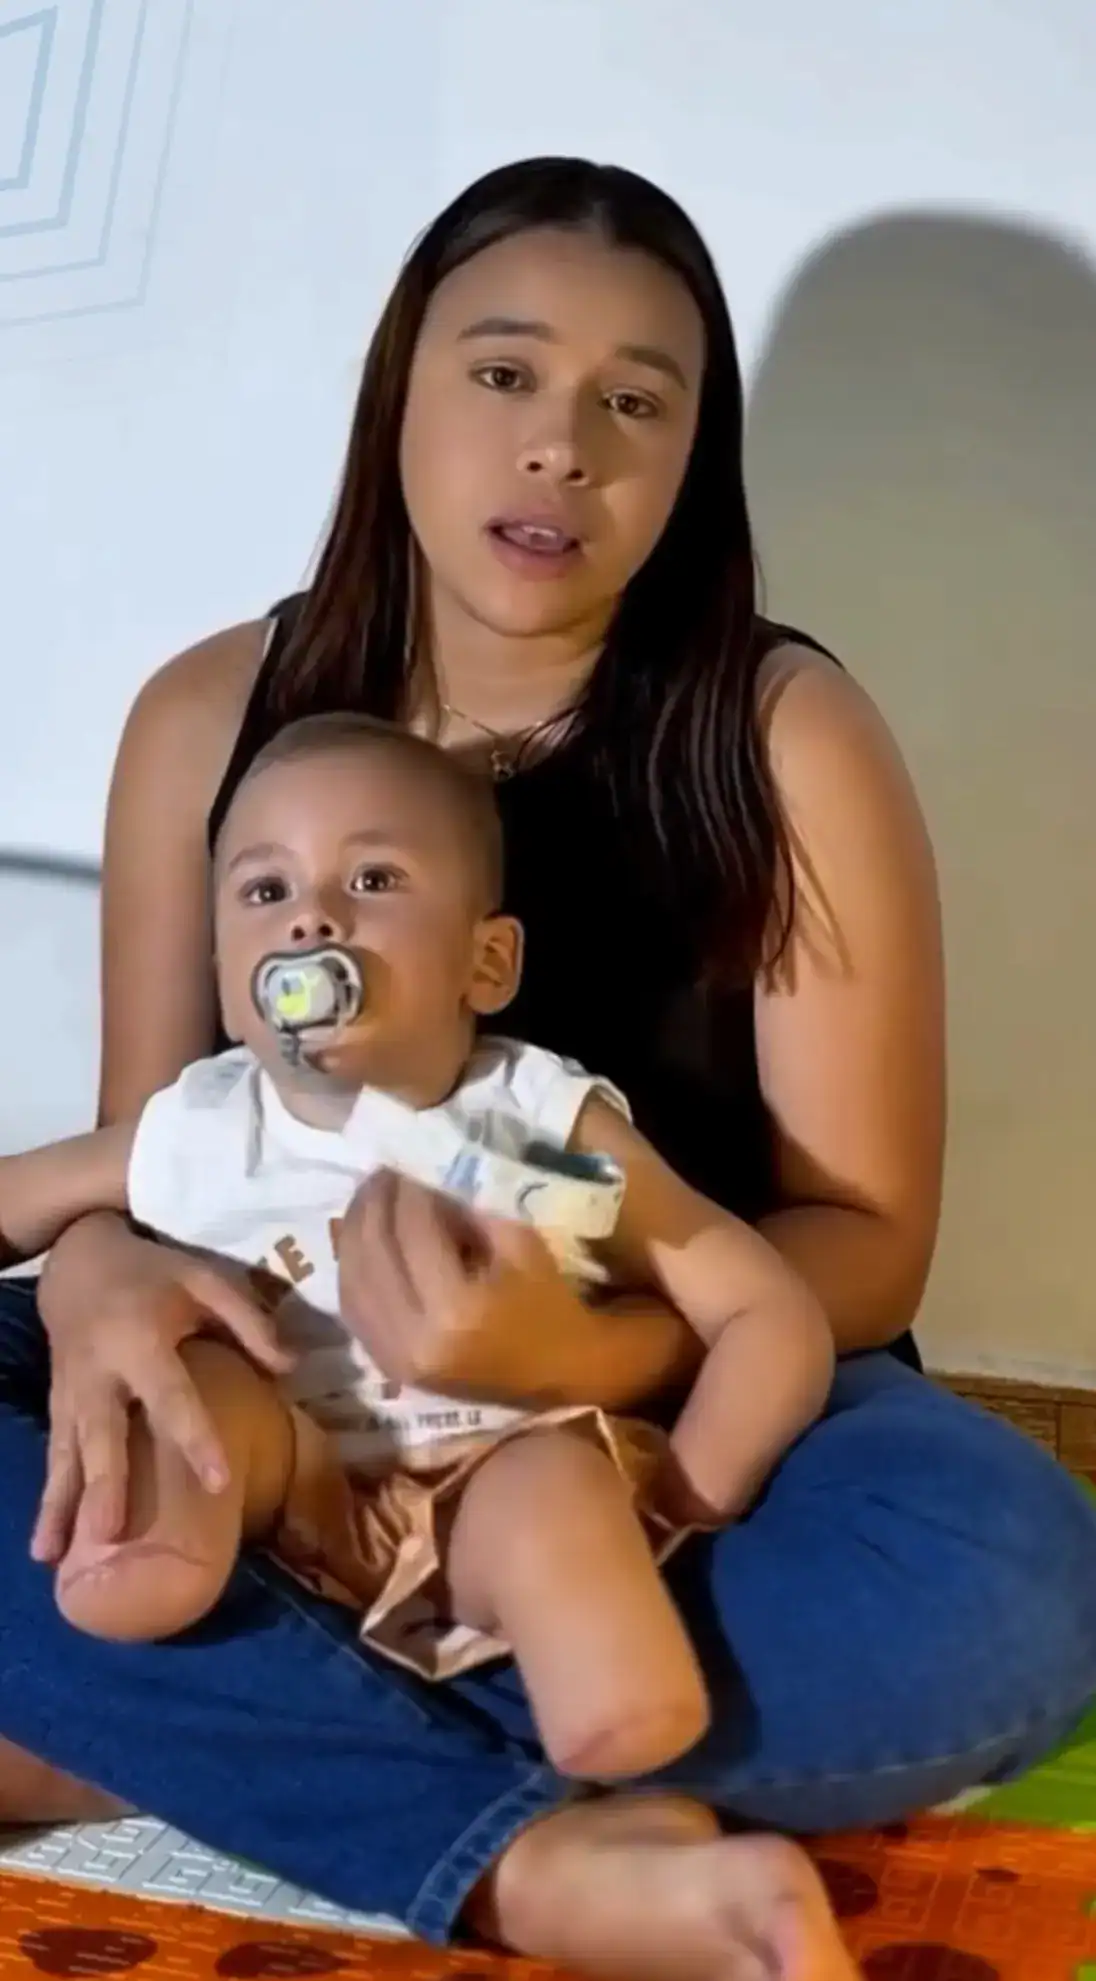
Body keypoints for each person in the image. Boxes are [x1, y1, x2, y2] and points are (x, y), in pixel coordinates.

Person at [1, 154, 1095, 1980]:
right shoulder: (206, 713)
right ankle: (519, 1849)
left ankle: (163, 1724)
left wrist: (569, 1357)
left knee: (1006, 1584)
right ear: (401, 394)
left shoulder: (781, 732)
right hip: (268, 1391)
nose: (559, 449)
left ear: (690, 459)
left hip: (672, 1406)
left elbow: (865, 1249)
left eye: (632, 405)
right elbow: (141, 1154)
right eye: (505, 372)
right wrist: (99, 1278)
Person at [0, 712, 834, 1788]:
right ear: (230, 984)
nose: (310, 918)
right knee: (193, 1383)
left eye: (373, 879)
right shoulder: (204, 1128)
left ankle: (614, 1714)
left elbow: (765, 1310)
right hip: (280, 1485)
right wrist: (86, 1269)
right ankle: (146, 1547)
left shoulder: (533, 1121)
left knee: (555, 1492)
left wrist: (685, 1499)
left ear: (486, 962)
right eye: (266, 890)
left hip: (486, 1482)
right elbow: (21, 1195)